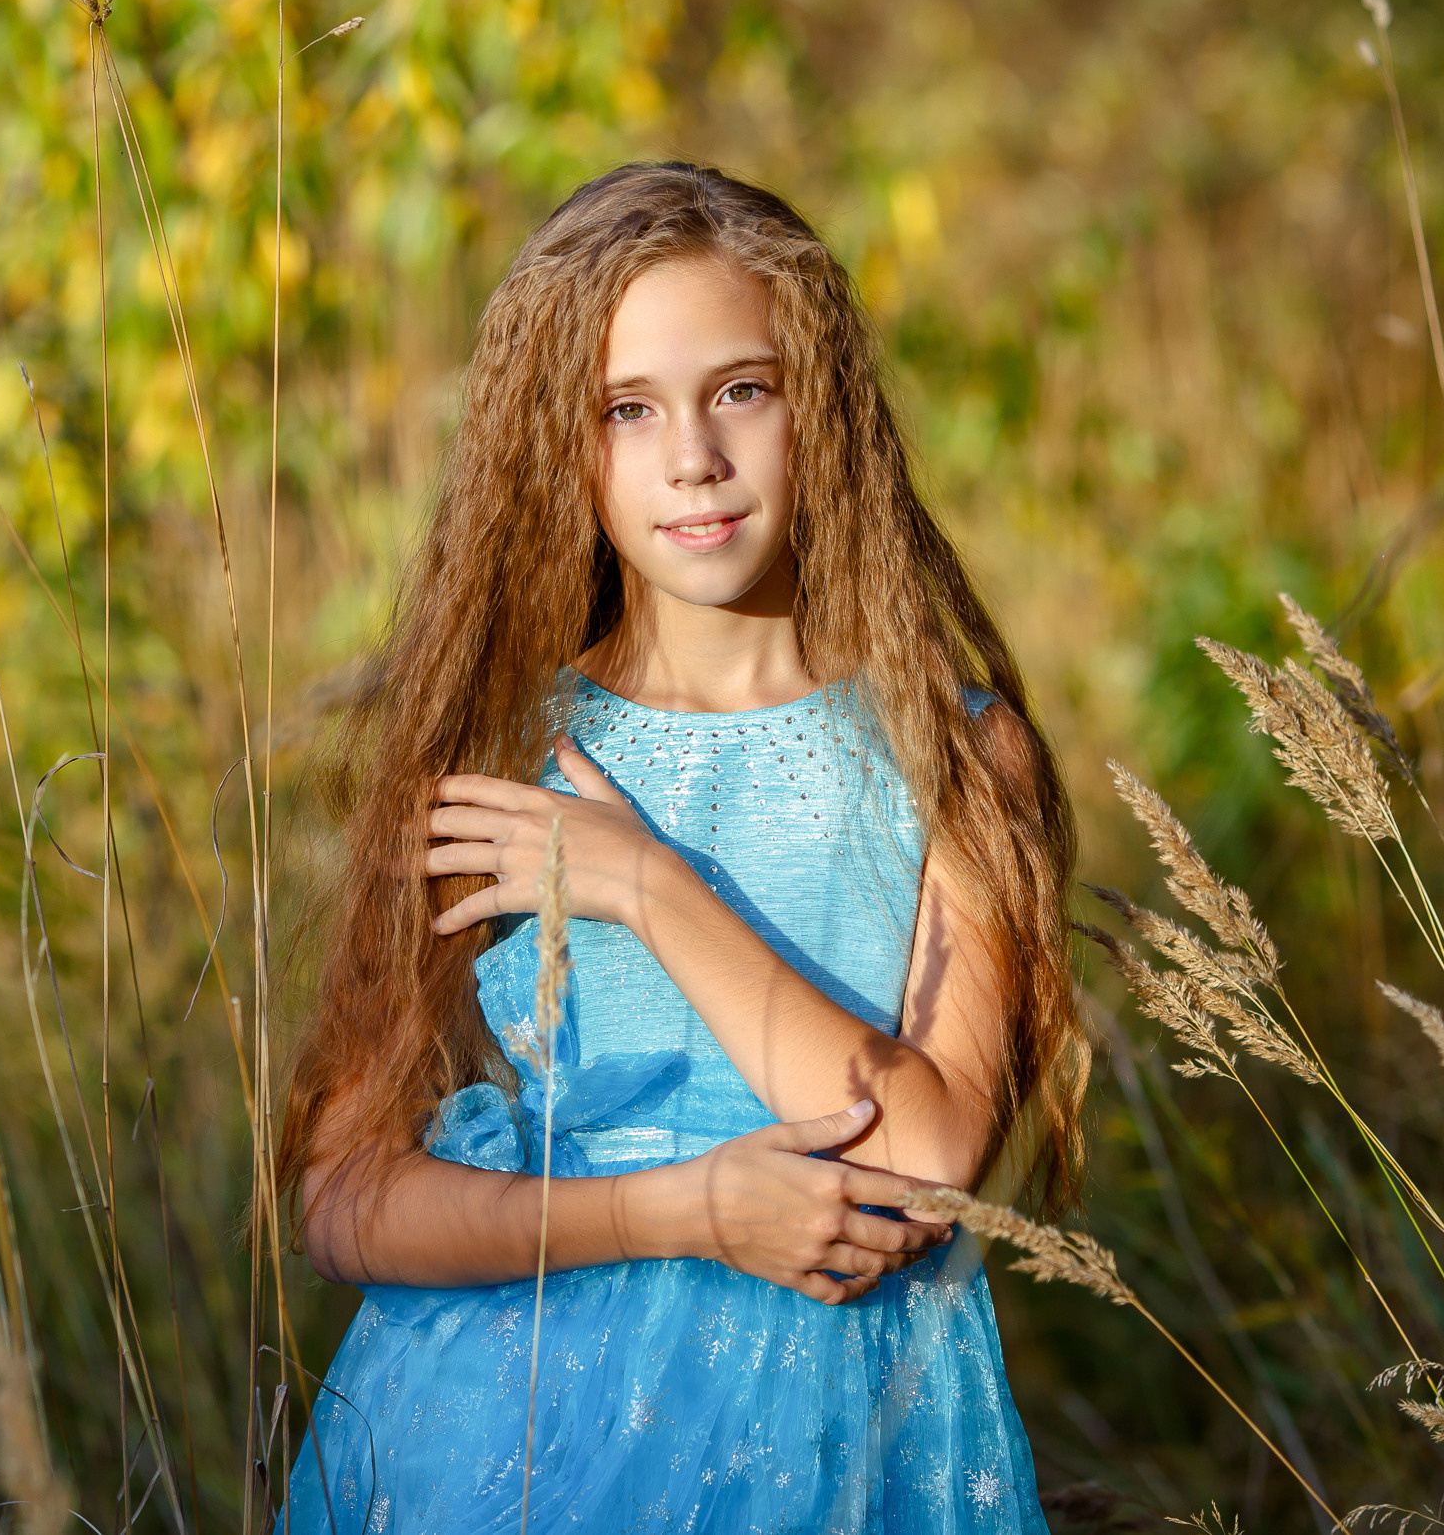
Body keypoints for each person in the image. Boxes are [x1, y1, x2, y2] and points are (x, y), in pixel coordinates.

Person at [276, 162, 1084, 1531]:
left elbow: (928, 1155)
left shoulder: (950, 753)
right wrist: (683, 1210)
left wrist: (647, 885)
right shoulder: (496, 753)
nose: (693, 458)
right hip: (519, 1427)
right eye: (627, 410)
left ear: (823, 404)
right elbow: (345, 1199)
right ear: (559, 442)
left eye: (742, 391)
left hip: (841, 1429)